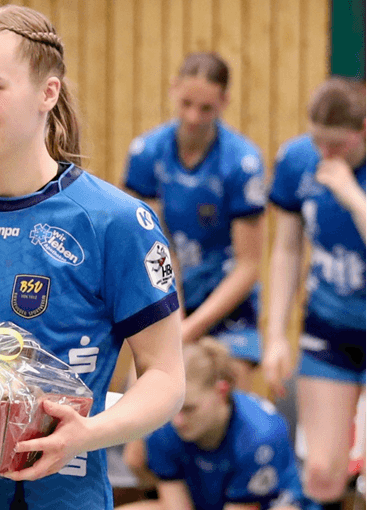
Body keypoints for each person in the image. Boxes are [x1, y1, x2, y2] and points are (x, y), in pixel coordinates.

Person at [0, 5, 185, 509]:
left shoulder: (114, 222)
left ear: (48, 93)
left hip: (57, 496)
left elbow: (166, 376)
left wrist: (87, 433)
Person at [123, 52, 266, 390]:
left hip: (227, 306)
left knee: (226, 402)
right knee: (143, 392)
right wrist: (174, 317)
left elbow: (248, 266)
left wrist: (189, 330)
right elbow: (151, 245)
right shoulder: (147, 152)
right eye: (186, 103)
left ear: (224, 102)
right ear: (173, 90)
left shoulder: (242, 163)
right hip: (167, 292)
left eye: (206, 109)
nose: (193, 117)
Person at [263, 76, 366, 510]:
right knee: (322, 474)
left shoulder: (345, 178)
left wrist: (352, 196)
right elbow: (287, 250)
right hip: (328, 327)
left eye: (338, 145)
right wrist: (275, 336)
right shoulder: (298, 159)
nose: (326, 155)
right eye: (318, 141)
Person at [116, 338, 313, 510]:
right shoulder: (163, 425)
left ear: (221, 391)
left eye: (190, 408)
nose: (178, 421)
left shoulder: (261, 435)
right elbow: (176, 506)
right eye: (174, 408)